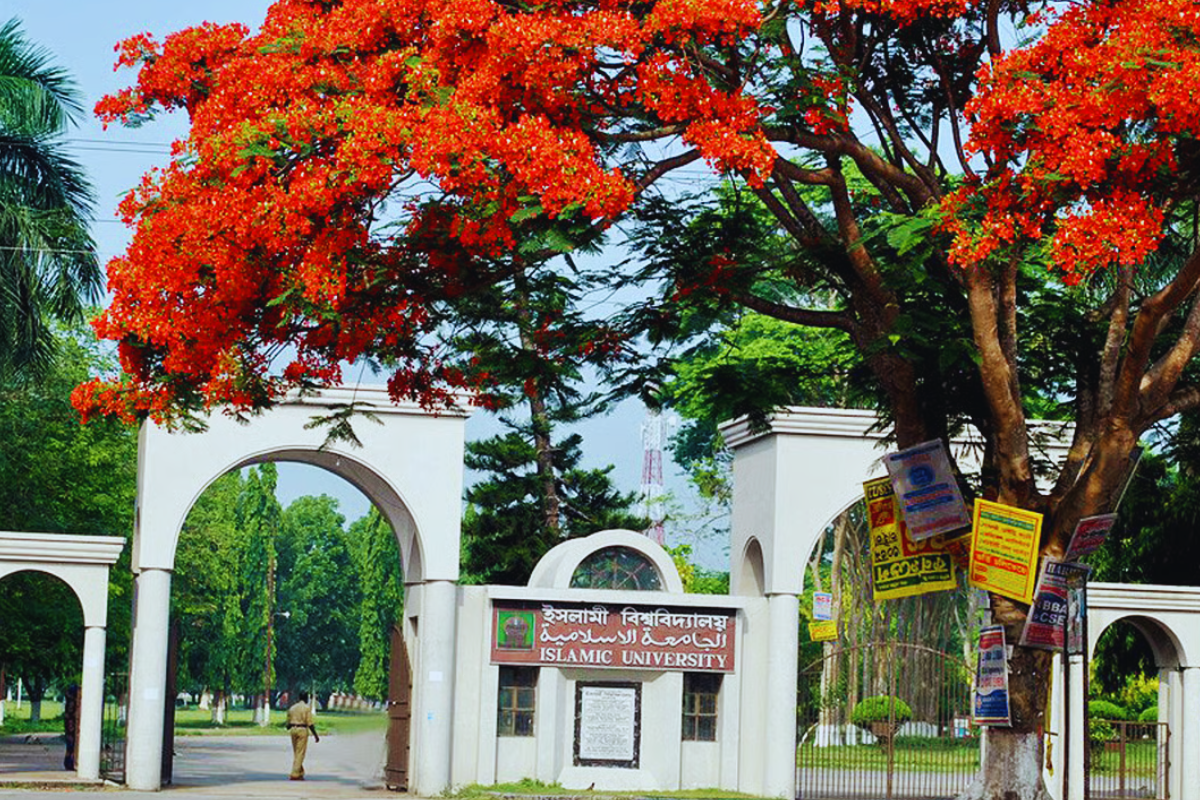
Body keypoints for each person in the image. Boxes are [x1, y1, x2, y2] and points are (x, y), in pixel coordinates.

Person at [285, 691, 319, 780]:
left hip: (293, 730)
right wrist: (315, 735)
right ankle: (295, 774)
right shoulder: (306, 708)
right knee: (300, 753)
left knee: (296, 752)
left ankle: (300, 772)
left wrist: (291, 725)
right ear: (306, 698)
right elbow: (310, 723)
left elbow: (288, 724)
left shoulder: (292, 708)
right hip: (302, 730)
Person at [63, 685, 80, 771]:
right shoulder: (72, 703)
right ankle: (70, 762)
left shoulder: (69, 702)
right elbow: (70, 713)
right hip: (71, 725)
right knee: (71, 745)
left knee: (70, 745)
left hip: (70, 725)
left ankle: (69, 762)